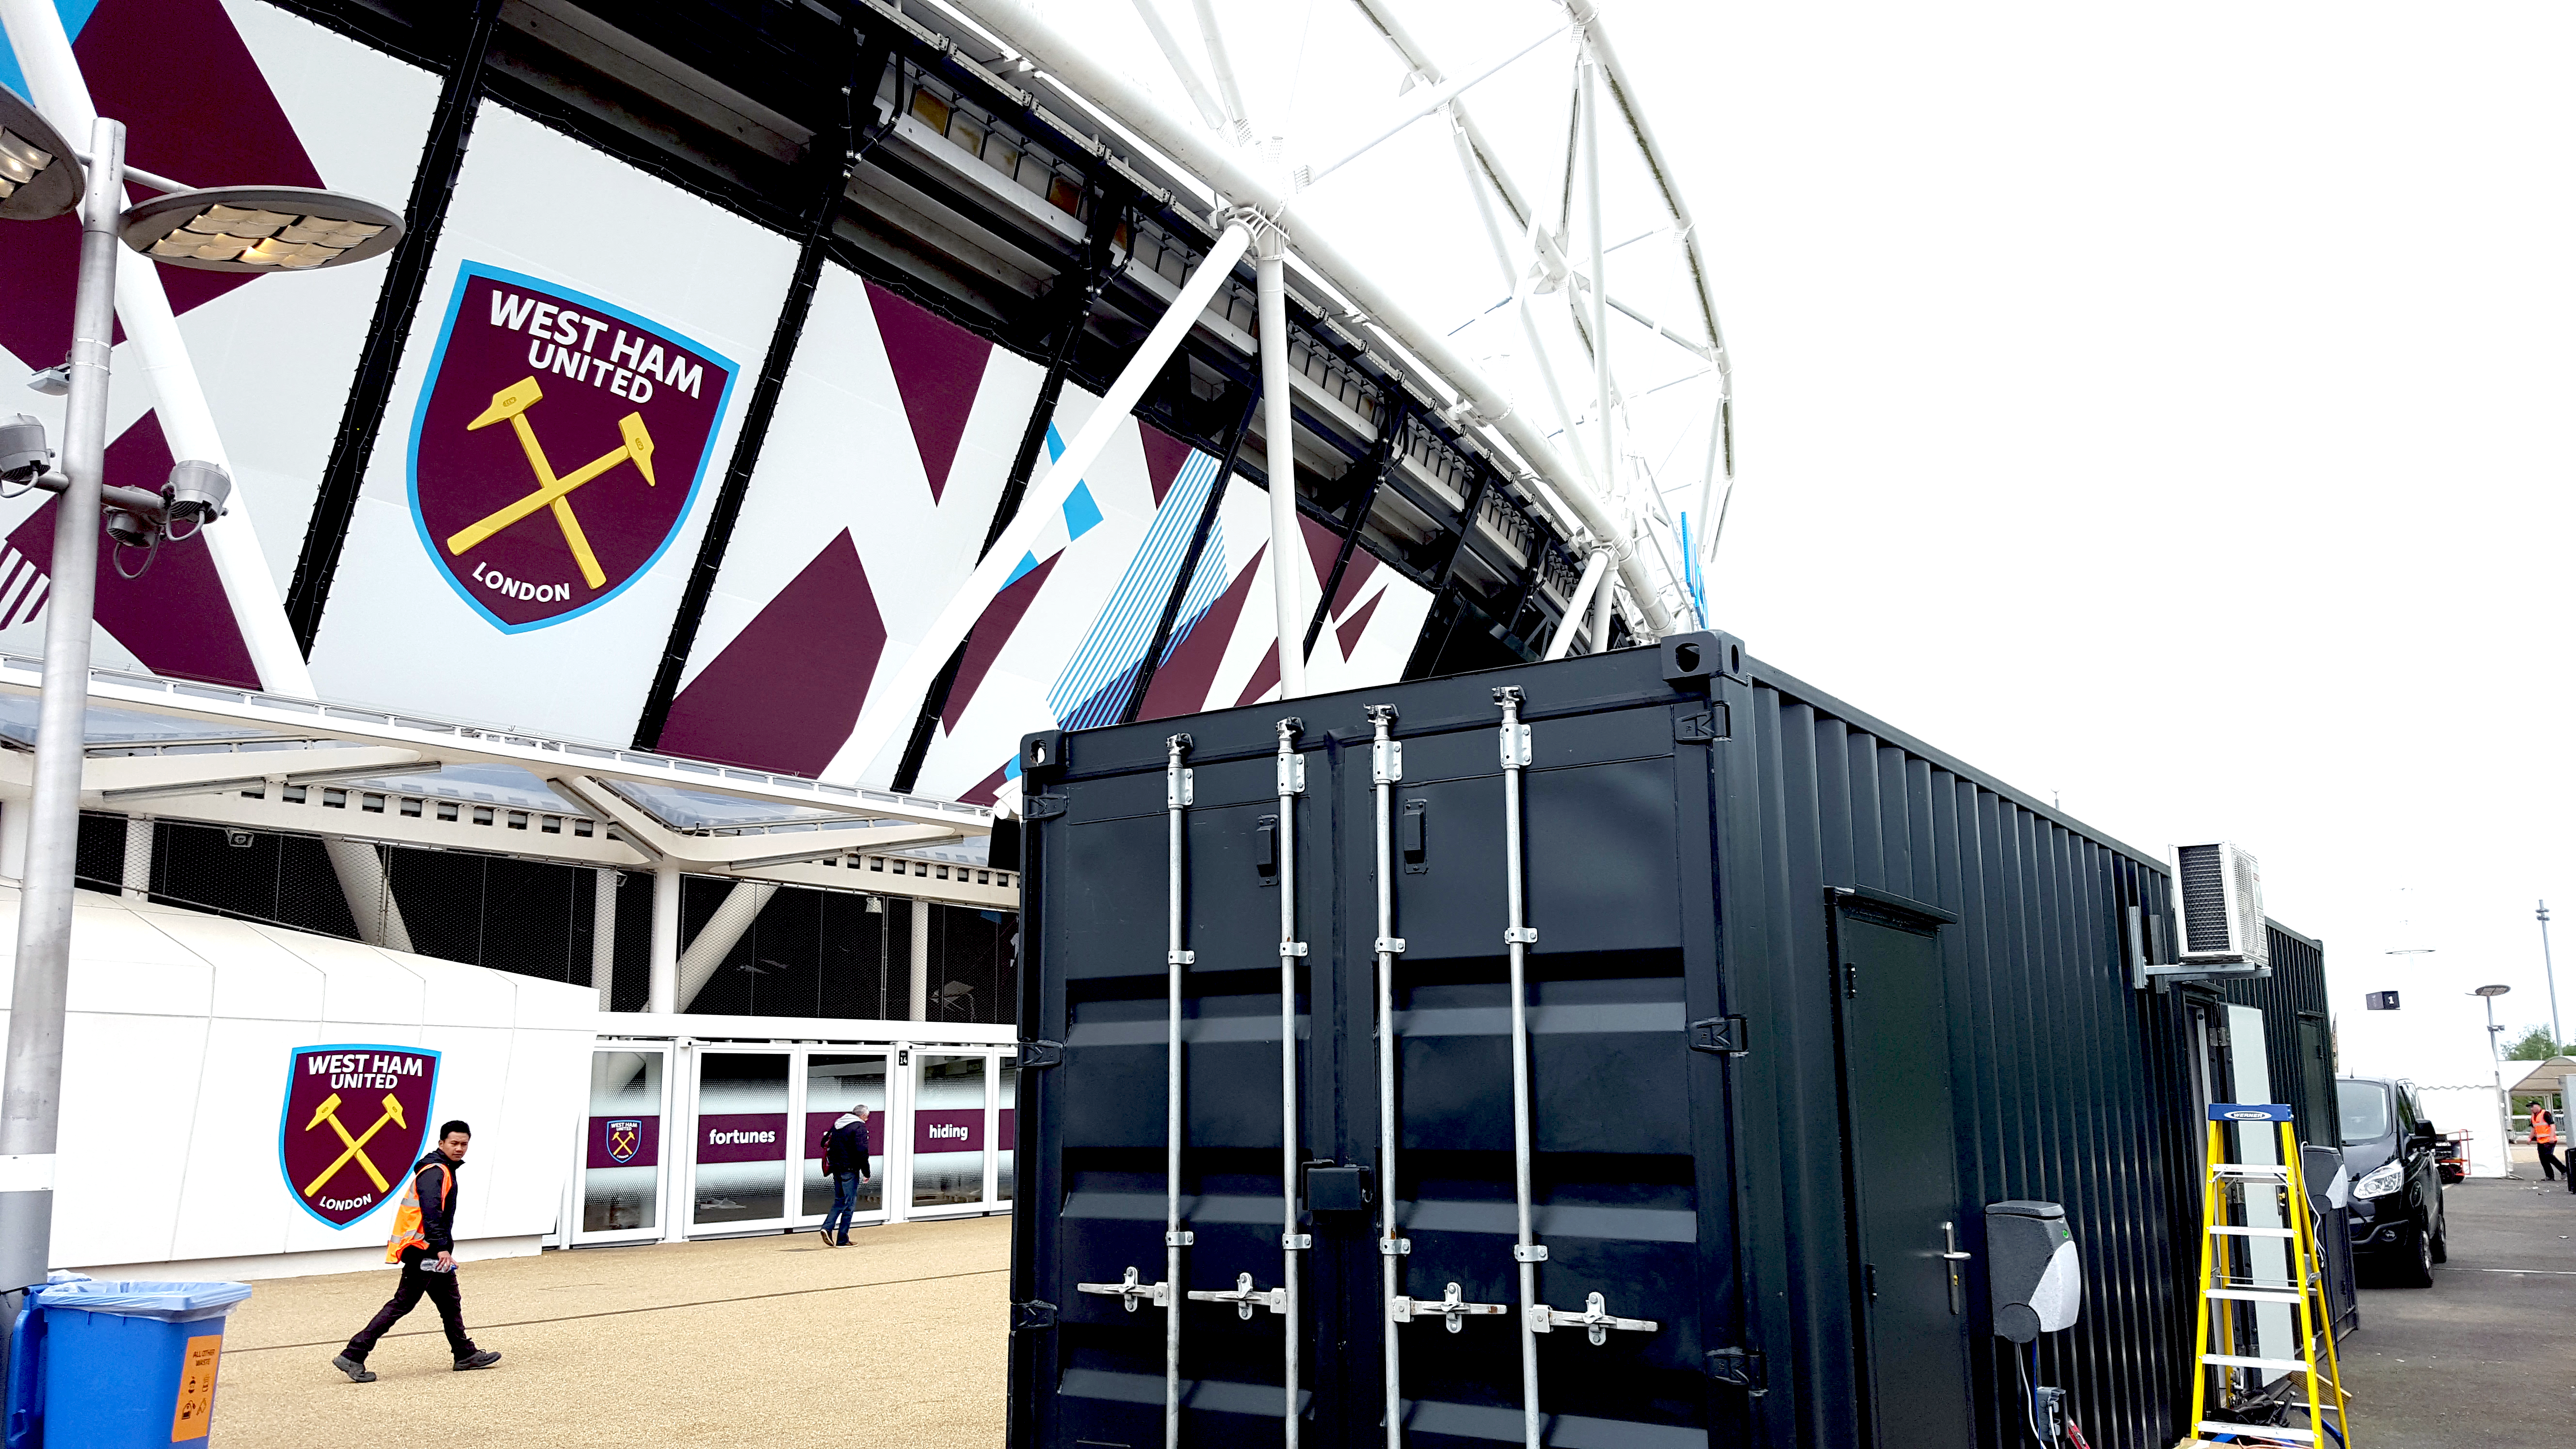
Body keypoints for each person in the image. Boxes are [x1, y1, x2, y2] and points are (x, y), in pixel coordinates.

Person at [332, 1121, 501, 1380]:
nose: (459, 1149)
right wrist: (442, 1249)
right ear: (441, 1143)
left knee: (450, 1302)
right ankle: (353, 1354)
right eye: (454, 1143)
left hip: (429, 1249)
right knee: (402, 1304)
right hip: (425, 1251)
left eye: (464, 1144)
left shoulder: (443, 1169)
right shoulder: (436, 1172)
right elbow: (431, 1211)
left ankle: (465, 1353)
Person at [817, 1104, 874, 1246]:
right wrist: (866, 1172)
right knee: (850, 1203)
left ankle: (827, 1227)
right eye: (867, 1116)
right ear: (862, 1115)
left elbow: (824, 1142)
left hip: (836, 1167)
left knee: (840, 1200)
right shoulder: (859, 1127)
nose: (867, 1118)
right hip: (850, 1168)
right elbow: (862, 1151)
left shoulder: (839, 1123)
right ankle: (842, 1239)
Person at [2535, 1101, 2562, 1183]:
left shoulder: (2545, 1114)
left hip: (2549, 1140)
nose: (2531, 1109)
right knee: (2543, 1159)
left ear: (2538, 1106)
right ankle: (2549, 1176)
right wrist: (2530, 1137)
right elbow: (2534, 1127)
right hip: (2541, 1141)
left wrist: (2551, 1137)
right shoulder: (2534, 1116)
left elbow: (2552, 1125)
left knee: (2549, 1156)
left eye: (2533, 1106)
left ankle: (2564, 1170)